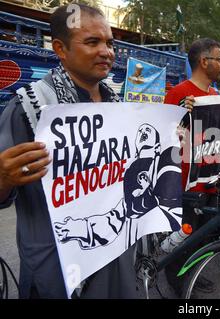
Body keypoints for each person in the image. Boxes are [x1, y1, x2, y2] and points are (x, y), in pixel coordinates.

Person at [0, 4, 138, 298]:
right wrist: (4, 177)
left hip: (116, 257)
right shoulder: (28, 108)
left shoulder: (119, 106)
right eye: (93, 42)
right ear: (61, 49)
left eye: (110, 43)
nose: (107, 52)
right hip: (57, 267)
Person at [164, 38, 220, 297]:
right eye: (219, 59)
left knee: (202, 234)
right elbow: (164, 136)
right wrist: (178, 114)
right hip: (186, 182)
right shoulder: (178, 93)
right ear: (204, 62)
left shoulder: (215, 96)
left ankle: (192, 272)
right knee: (183, 235)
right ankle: (175, 280)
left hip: (211, 178)